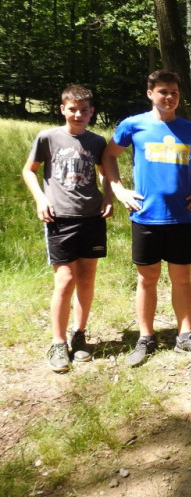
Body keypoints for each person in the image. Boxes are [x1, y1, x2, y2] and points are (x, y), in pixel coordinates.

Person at [102, 69, 191, 367]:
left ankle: (185, 335)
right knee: (147, 279)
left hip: (181, 217)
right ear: (150, 93)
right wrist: (119, 190)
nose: (169, 97)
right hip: (146, 216)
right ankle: (145, 337)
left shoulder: (190, 129)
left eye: (174, 92)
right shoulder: (133, 125)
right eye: (163, 92)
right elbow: (109, 156)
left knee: (182, 279)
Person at [22, 85, 114, 372]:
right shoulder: (47, 137)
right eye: (72, 109)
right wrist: (40, 199)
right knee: (65, 279)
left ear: (91, 112)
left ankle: (79, 334)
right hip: (60, 218)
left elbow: (105, 173)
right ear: (63, 109)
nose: (78, 114)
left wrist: (108, 197)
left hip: (92, 218)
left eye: (84, 110)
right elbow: (29, 170)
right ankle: (58, 342)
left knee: (86, 278)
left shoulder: (97, 141)